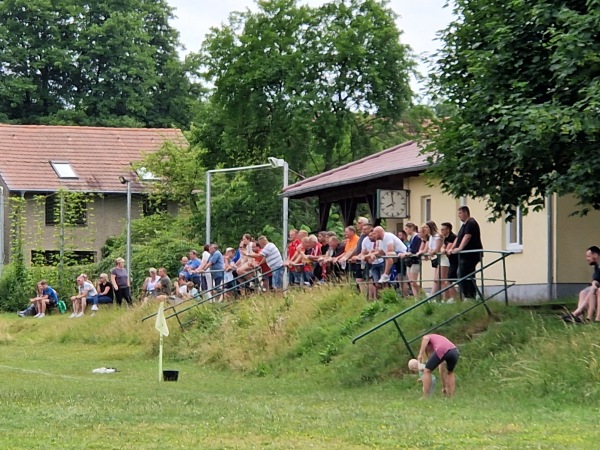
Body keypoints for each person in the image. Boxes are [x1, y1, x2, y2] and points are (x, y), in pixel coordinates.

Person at [451, 206, 483, 299]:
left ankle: (470, 296)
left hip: (470, 255)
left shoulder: (471, 223)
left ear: (465, 213)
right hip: (466, 255)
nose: (459, 216)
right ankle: (470, 295)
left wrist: (460, 248)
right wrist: (453, 247)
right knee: (466, 274)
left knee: (463, 274)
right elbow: (459, 237)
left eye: (460, 213)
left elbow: (467, 237)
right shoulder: (464, 225)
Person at [563, 246, 600, 323]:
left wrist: (595, 284)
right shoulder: (597, 266)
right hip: (597, 286)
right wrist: (594, 283)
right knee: (583, 292)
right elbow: (596, 279)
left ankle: (577, 313)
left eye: (589, 256)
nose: (587, 259)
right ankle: (579, 317)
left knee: (595, 290)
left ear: (596, 255)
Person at [417, 333, 460, 397]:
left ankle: (425, 396)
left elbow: (426, 338)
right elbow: (441, 370)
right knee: (450, 372)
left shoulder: (428, 337)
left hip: (442, 349)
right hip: (455, 351)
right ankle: (451, 396)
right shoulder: (440, 340)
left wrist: (420, 354)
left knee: (427, 371)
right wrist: (444, 386)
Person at [440, 222, 458, 303]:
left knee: (449, 280)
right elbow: (442, 248)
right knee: (448, 280)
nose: (441, 231)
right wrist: (443, 249)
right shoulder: (445, 238)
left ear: (448, 229)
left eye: (443, 229)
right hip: (450, 261)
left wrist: (444, 249)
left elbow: (448, 248)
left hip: (455, 260)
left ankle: (455, 298)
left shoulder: (452, 237)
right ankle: (455, 298)